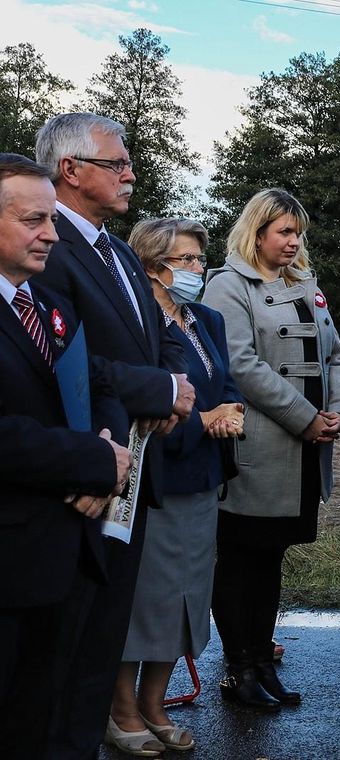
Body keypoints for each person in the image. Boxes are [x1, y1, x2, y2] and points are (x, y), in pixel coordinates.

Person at [34, 113, 195, 759]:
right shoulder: (48, 251)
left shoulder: (119, 249)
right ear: (70, 171)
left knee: (104, 635)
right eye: (116, 163)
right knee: (63, 645)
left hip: (135, 471)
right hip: (84, 472)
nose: (131, 173)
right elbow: (59, 357)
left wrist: (173, 385)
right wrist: (156, 391)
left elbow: (161, 339)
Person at [0, 153, 131, 760]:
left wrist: (108, 452)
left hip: (66, 553)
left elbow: (95, 384)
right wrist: (92, 461)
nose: (51, 233)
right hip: (10, 561)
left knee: (47, 717)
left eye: (51, 219)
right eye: (34, 220)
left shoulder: (45, 301)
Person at [202, 189, 340, 710]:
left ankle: (262, 662)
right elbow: (239, 364)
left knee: (271, 557)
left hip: (307, 451)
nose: (293, 242)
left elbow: (337, 356)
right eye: (284, 232)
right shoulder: (227, 286)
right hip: (259, 449)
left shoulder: (305, 284)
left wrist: (338, 412)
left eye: (298, 233)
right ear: (257, 231)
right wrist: (305, 418)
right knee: (243, 555)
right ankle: (238, 667)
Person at [107, 219, 244, 756]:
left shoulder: (204, 318)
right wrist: (201, 422)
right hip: (151, 479)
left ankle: (155, 702)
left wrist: (229, 410)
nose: (194, 271)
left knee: (187, 597)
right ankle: (119, 709)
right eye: (182, 261)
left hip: (202, 480)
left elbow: (225, 384)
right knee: (143, 599)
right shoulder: (134, 322)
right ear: (150, 267)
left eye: (197, 260)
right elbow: (137, 402)